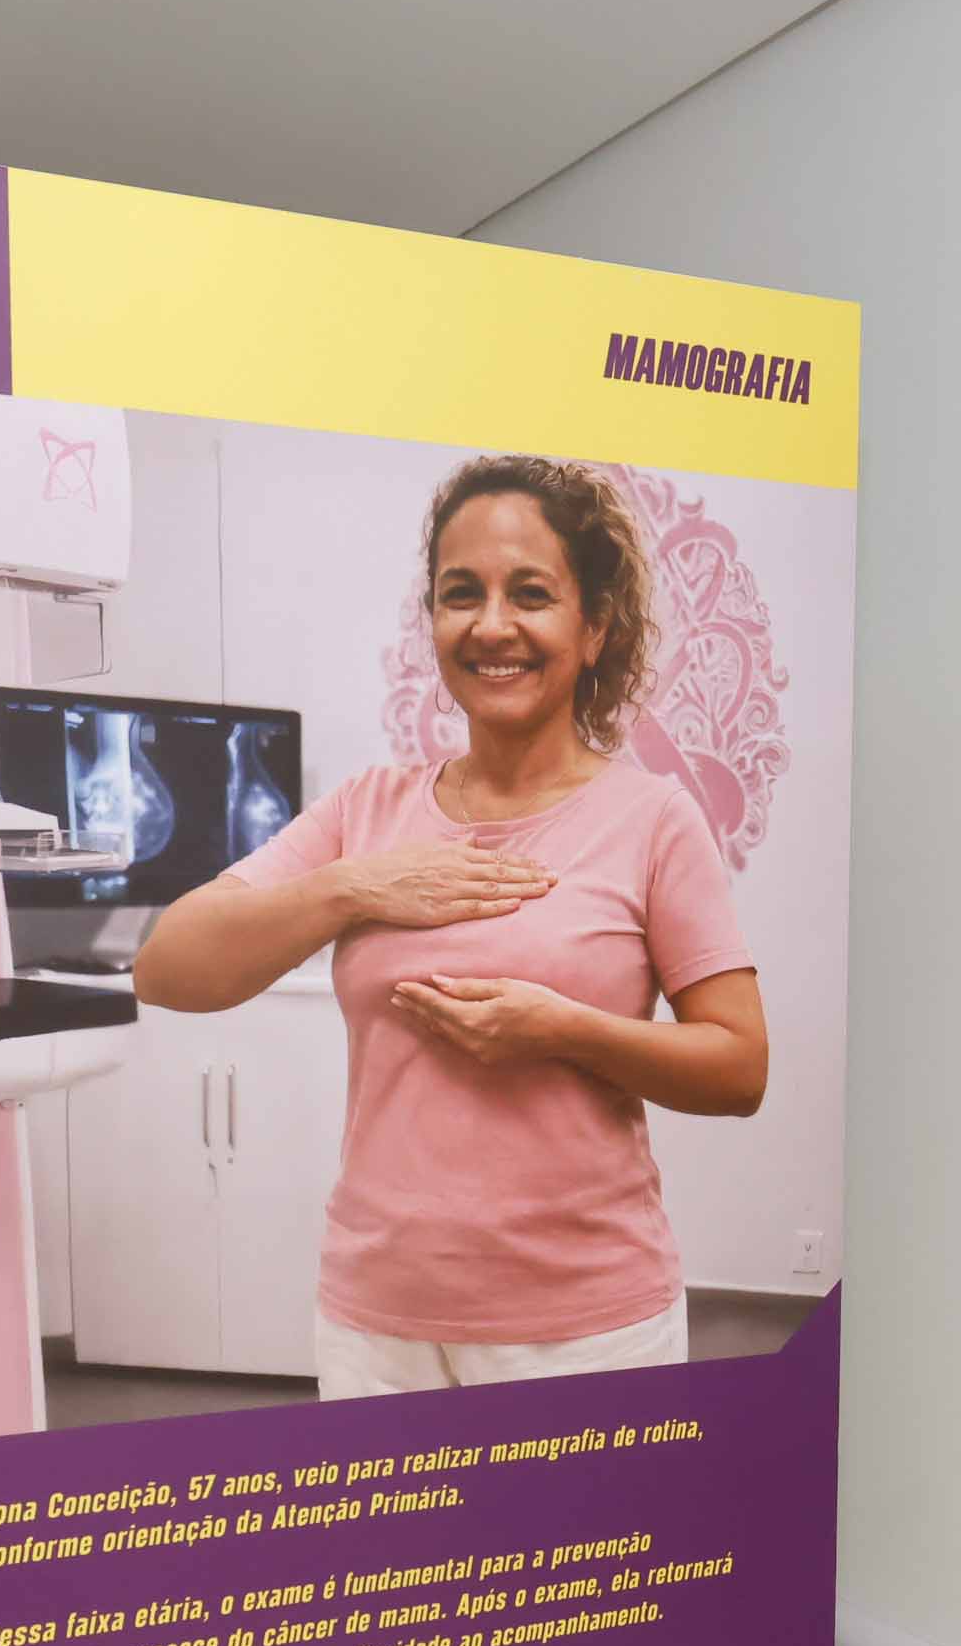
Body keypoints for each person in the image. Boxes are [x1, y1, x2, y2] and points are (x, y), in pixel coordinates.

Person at [127, 453, 767, 1398]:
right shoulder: (366, 810)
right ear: (432, 620)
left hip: (585, 1331)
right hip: (376, 1325)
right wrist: (354, 887)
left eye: (532, 594)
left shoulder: (655, 820)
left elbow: (739, 1067)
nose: (492, 625)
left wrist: (562, 1031)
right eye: (461, 594)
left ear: (593, 627)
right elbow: (166, 969)